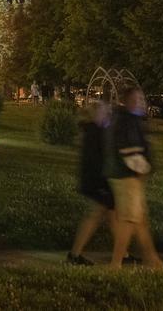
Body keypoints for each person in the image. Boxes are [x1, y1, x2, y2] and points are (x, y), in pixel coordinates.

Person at [104, 86, 163, 269]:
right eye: (138, 99)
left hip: (125, 175)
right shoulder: (127, 121)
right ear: (129, 101)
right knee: (130, 220)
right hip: (127, 176)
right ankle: (116, 263)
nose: (142, 102)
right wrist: (143, 170)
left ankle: (153, 260)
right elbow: (128, 151)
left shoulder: (124, 119)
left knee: (140, 220)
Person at [68, 98, 115, 265]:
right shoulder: (96, 132)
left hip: (94, 180)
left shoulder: (91, 130)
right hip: (98, 182)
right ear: (97, 113)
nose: (107, 113)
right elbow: (98, 159)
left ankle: (122, 253)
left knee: (112, 216)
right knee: (95, 216)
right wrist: (104, 182)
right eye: (104, 111)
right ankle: (74, 254)